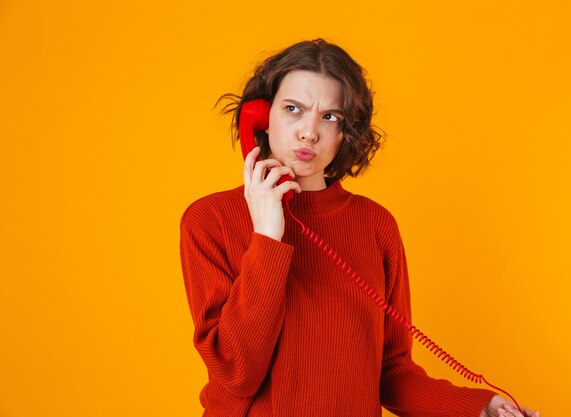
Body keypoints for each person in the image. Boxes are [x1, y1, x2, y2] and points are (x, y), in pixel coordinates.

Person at [179, 38, 539, 417]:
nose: (309, 132)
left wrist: (476, 408)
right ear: (262, 116)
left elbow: (391, 371)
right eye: (293, 109)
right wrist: (268, 235)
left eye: (330, 116)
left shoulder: (375, 225)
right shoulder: (210, 220)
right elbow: (237, 372)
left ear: (345, 133)